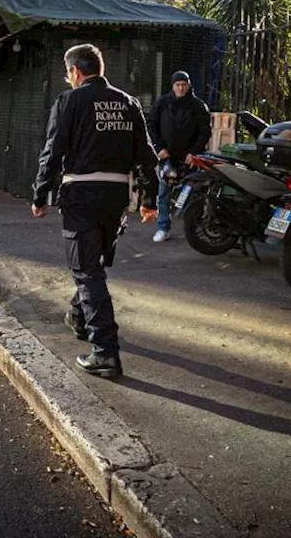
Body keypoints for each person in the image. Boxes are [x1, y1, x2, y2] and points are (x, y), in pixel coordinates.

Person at [32, 44, 159, 379]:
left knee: (87, 271)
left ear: (75, 71)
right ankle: (79, 317)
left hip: (81, 195)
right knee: (92, 265)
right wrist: (149, 199)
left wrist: (40, 193)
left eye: (67, 72)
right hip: (116, 197)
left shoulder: (69, 101)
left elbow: (53, 148)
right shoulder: (128, 103)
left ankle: (105, 352)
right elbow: (146, 155)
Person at [147, 71, 212, 243]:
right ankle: (163, 227)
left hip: (191, 158)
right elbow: (152, 125)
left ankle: (197, 229)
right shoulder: (162, 103)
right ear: (173, 86)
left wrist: (194, 152)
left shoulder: (198, 105)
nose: (181, 88)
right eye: (178, 85)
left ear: (189, 85)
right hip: (168, 157)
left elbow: (205, 131)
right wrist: (159, 148)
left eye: (184, 84)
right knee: (164, 193)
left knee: (197, 194)